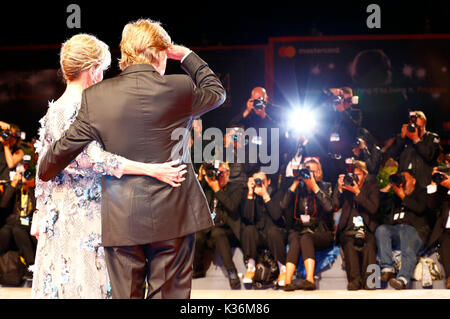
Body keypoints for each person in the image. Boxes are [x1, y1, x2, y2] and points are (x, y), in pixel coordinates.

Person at [38, 19, 226, 299]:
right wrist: (185, 55)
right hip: (173, 213)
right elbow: (217, 93)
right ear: (161, 53)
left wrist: (48, 165)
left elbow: (50, 163)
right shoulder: (179, 88)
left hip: (120, 217)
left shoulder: (96, 97)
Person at [280, 157, 334, 291]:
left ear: (319, 172)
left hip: (321, 232)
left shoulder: (325, 186)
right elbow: (283, 205)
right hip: (300, 230)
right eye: (307, 171)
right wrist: (296, 182)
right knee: (295, 238)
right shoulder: (299, 189)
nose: (311, 175)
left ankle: (309, 279)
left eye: (314, 172)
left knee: (305, 237)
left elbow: (329, 208)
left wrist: (314, 187)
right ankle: (287, 281)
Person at [194, 162, 246, 288]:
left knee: (218, 233)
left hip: (227, 230)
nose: (218, 176)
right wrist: (201, 178)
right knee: (197, 236)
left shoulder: (236, 188)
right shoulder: (209, 187)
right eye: (217, 173)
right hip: (208, 229)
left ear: (228, 174)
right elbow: (196, 200)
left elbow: (232, 207)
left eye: (221, 173)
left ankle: (232, 272)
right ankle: (197, 270)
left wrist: (217, 189)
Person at [375, 170, 429, 290]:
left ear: (413, 180)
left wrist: (403, 196)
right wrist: (390, 184)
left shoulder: (422, 193)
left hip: (415, 231)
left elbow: (420, 208)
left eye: (405, 179)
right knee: (382, 229)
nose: (403, 183)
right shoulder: (396, 197)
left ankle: (402, 279)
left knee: (407, 232)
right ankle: (388, 268)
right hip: (396, 231)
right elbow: (379, 204)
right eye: (401, 180)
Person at [332, 160, 380, 290]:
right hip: (347, 229)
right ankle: (355, 281)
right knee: (349, 245)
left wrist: (358, 192)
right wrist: (340, 189)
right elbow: (335, 206)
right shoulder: (346, 187)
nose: (354, 177)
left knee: (369, 245)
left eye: (358, 174)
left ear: (364, 175)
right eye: (353, 174)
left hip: (367, 228)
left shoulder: (372, 187)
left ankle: (371, 281)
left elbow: (373, 208)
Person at [240, 171, 286, 286]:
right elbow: (247, 218)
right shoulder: (250, 195)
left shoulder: (278, 193)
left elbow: (277, 216)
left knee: (273, 232)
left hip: (275, 234)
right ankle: (251, 268)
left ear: (268, 182)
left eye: (262, 181)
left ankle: (283, 270)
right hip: (259, 235)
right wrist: (250, 193)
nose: (259, 183)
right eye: (256, 181)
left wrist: (265, 195)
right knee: (248, 229)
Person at [384, 110, 441, 188]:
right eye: (412, 121)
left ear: (423, 121)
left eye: (418, 126)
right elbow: (392, 154)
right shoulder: (405, 139)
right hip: (404, 184)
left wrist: (416, 140)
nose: (416, 127)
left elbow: (430, 156)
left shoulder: (433, 138)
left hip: (423, 185)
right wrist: (401, 138)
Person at [0, 165, 37, 270]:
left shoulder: (35, 190)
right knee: (6, 232)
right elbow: (3, 204)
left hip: (28, 223)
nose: (24, 177)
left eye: (27, 174)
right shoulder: (14, 189)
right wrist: (13, 184)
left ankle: (31, 264)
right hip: (13, 222)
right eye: (22, 174)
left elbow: (36, 208)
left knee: (18, 231)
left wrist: (29, 187)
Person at [426, 167, 450, 289]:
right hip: (446, 230)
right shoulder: (443, 190)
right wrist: (434, 183)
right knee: (445, 241)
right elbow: (431, 205)